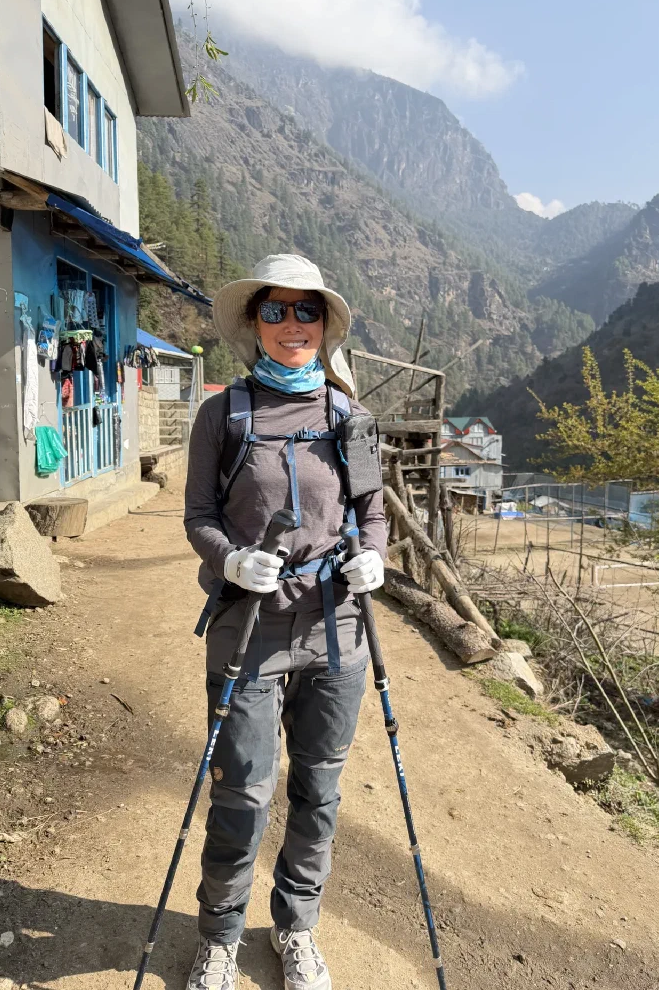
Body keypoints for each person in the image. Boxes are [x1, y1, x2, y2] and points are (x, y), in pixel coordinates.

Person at [184, 254, 386, 990]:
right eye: (276, 310)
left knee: (319, 789)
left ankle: (296, 927)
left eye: (307, 311)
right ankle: (220, 937)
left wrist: (376, 559)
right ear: (254, 322)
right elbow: (199, 516)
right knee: (241, 790)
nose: (292, 324)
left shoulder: (350, 418)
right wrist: (233, 560)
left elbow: (372, 512)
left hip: (338, 632)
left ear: (325, 325)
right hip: (249, 629)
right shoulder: (224, 414)